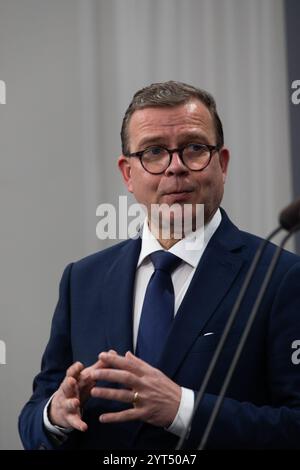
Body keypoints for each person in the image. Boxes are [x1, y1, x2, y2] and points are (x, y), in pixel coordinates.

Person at [19, 81, 300, 450]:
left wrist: (181, 409)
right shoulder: (82, 280)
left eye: (194, 148)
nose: (176, 167)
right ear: (127, 174)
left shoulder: (281, 277)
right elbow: (33, 418)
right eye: (154, 152)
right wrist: (56, 413)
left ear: (223, 163)